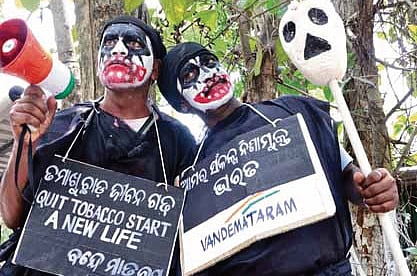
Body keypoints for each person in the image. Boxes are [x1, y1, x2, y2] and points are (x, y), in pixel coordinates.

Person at [158, 42, 399, 275]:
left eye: (210, 62)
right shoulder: (193, 173)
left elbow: (346, 172)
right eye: (190, 75)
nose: (208, 74)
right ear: (181, 105)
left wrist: (370, 188)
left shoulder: (295, 112)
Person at [0, 16, 195, 275]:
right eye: (109, 42)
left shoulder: (177, 140)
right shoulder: (60, 124)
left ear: (155, 70)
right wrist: (25, 144)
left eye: (134, 43)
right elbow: (11, 216)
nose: (118, 50)